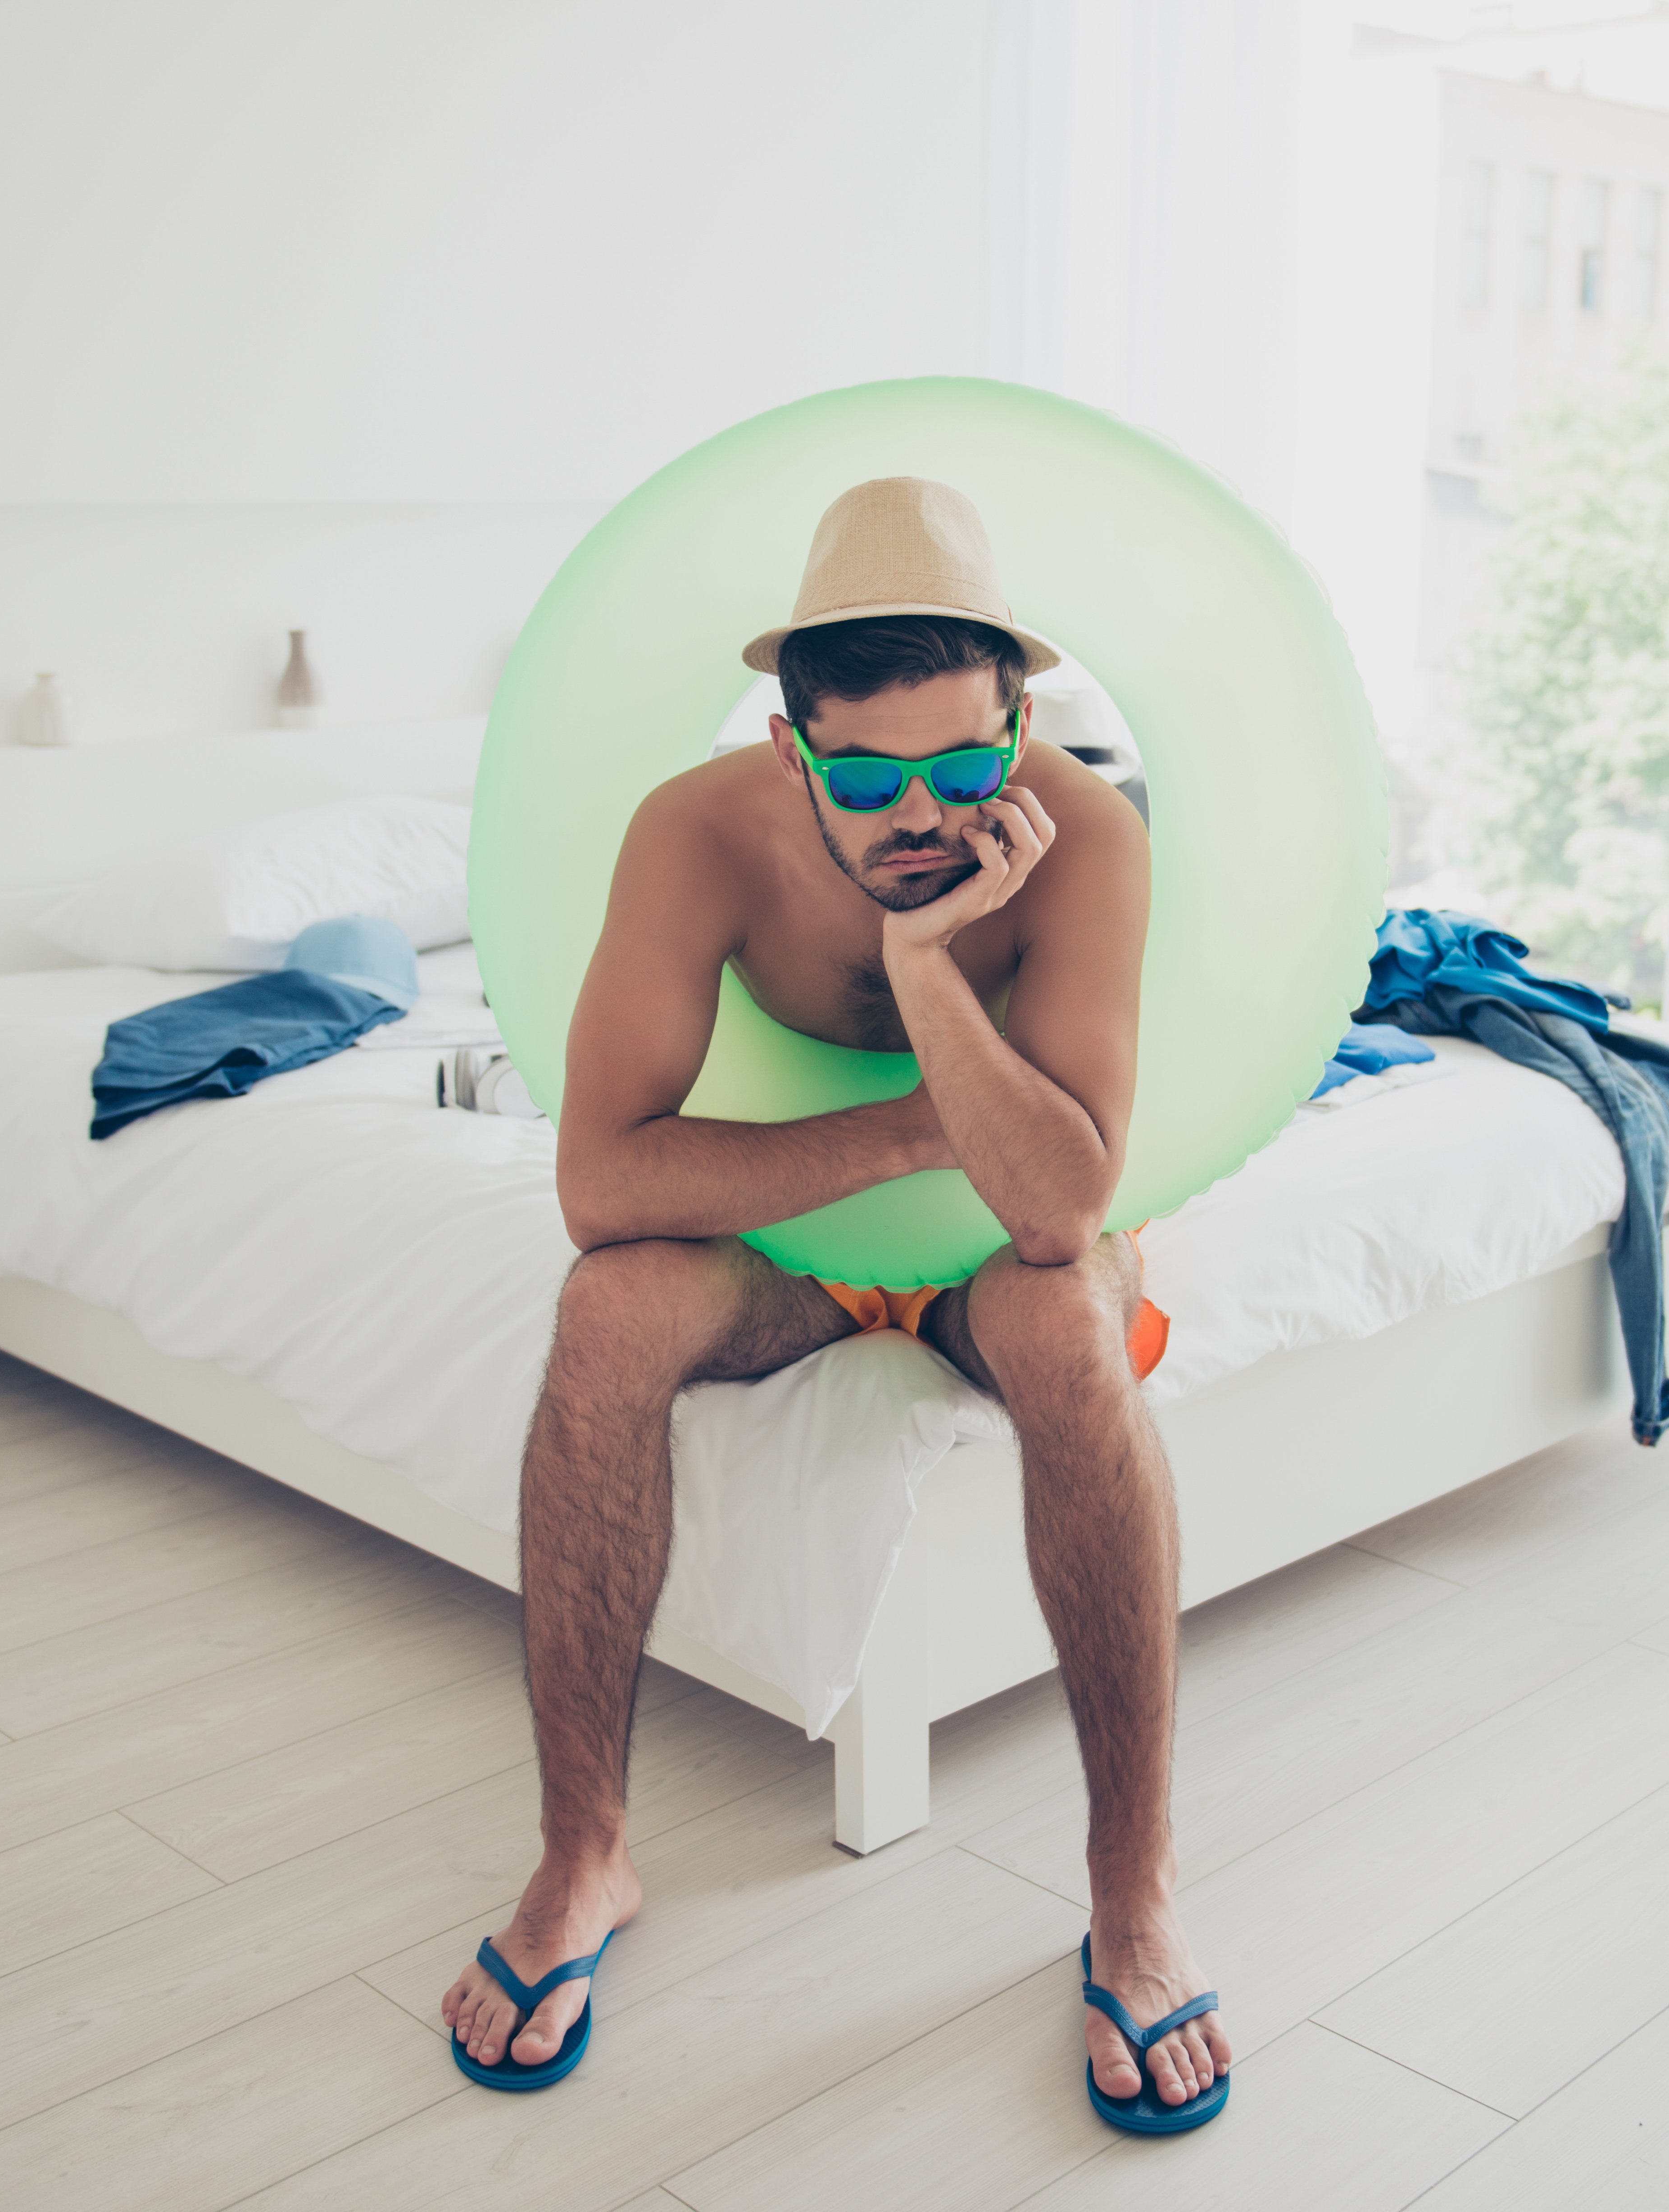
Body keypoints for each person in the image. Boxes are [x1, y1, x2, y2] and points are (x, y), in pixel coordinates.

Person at [438, 476, 1231, 2123]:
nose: (921, 812)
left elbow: (1061, 1203)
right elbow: (605, 1186)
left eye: (964, 764)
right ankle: (584, 1862)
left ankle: (1132, 1894)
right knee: (606, 1313)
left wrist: (934, 964)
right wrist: (917, 1122)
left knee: (1071, 1319)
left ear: (1023, 722)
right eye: (868, 776)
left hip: (998, 1264)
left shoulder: (1087, 838)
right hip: (793, 1266)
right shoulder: (697, 832)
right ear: (796, 747)